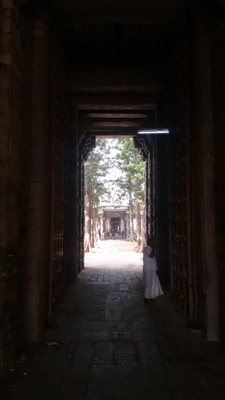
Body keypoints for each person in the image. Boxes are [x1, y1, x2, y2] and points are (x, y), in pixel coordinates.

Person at [143, 237, 163, 304]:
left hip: (152, 269)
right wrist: (154, 248)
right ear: (149, 243)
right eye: (153, 242)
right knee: (149, 283)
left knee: (152, 283)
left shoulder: (150, 249)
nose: (154, 244)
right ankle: (146, 298)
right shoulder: (146, 249)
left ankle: (151, 297)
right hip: (148, 269)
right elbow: (151, 256)